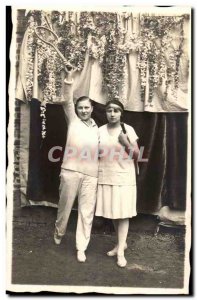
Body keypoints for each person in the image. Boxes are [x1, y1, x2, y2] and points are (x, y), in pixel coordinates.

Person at [54, 72, 99, 263]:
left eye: (86, 107)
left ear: (92, 108)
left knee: (86, 212)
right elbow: (66, 101)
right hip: (70, 172)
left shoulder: (98, 129)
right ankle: (59, 232)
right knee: (64, 208)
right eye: (80, 107)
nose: (83, 110)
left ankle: (82, 247)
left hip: (91, 176)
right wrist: (69, 80)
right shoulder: (73, 121)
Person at [95, 99, 139, 268]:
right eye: (109, 111)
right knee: (114, 212)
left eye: (116, 111)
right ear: (105, 113)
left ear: (121, 113)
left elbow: (136, 155)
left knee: (123, 213)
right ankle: (121, 244)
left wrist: (125, 142)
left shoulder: (128, 129)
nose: (112, 114)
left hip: (124, 177)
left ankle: (120, 251)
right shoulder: (99, 131)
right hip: (106, 176)